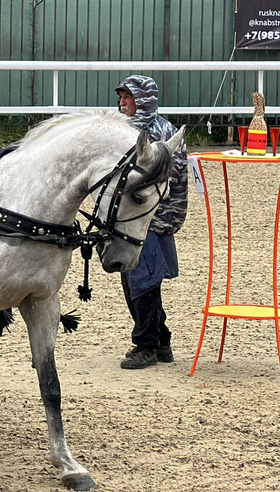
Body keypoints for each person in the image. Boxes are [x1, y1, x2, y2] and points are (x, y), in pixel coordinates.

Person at [115, 75, 188, 369]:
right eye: (120, 97)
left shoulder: (161, 133)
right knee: (135, 277)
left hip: (152, 218)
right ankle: (162, 341)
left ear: (142, 101)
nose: (121, 102)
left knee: (142, 279)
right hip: (133, 217)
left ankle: (146, 345)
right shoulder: (127, 130)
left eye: (127, 98)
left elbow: (167, 181)